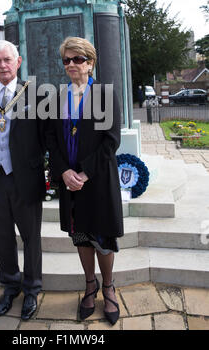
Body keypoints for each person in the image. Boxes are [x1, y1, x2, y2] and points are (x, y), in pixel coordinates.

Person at [46, 37, 124, 325]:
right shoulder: (56, 97)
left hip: (98, 179)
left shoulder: (105, 94)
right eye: (66, 60)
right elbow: (51, 139)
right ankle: (89, 285)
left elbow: (111, 139)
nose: (71, 65)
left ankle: (108, 286)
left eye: (77, 59)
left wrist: (86, 172)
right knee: (81, 237)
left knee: (102, 237)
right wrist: (64, 171)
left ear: (90, 63)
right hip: (71, 183)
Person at [0, 40, 46, 321]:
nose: (3, 65)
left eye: (8, 60)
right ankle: (10, 285)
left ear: (18, 62)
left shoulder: (37, 93)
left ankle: (31, 288)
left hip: (25, 178)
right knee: (2, 238)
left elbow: (45, 135)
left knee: (31, 238)